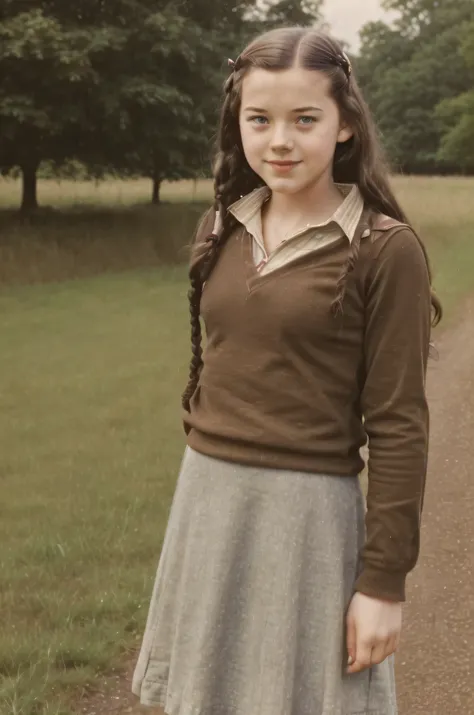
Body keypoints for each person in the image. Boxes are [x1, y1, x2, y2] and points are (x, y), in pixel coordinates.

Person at [132, 26, 441, 715]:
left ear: (345, 126)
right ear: (236, 122)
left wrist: (384, 581)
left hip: (306, 519)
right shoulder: (222, 225)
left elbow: (398, 424)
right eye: (260, 119)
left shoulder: (385, 250)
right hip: (207, 501)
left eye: (305, 119)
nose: (280, 140)